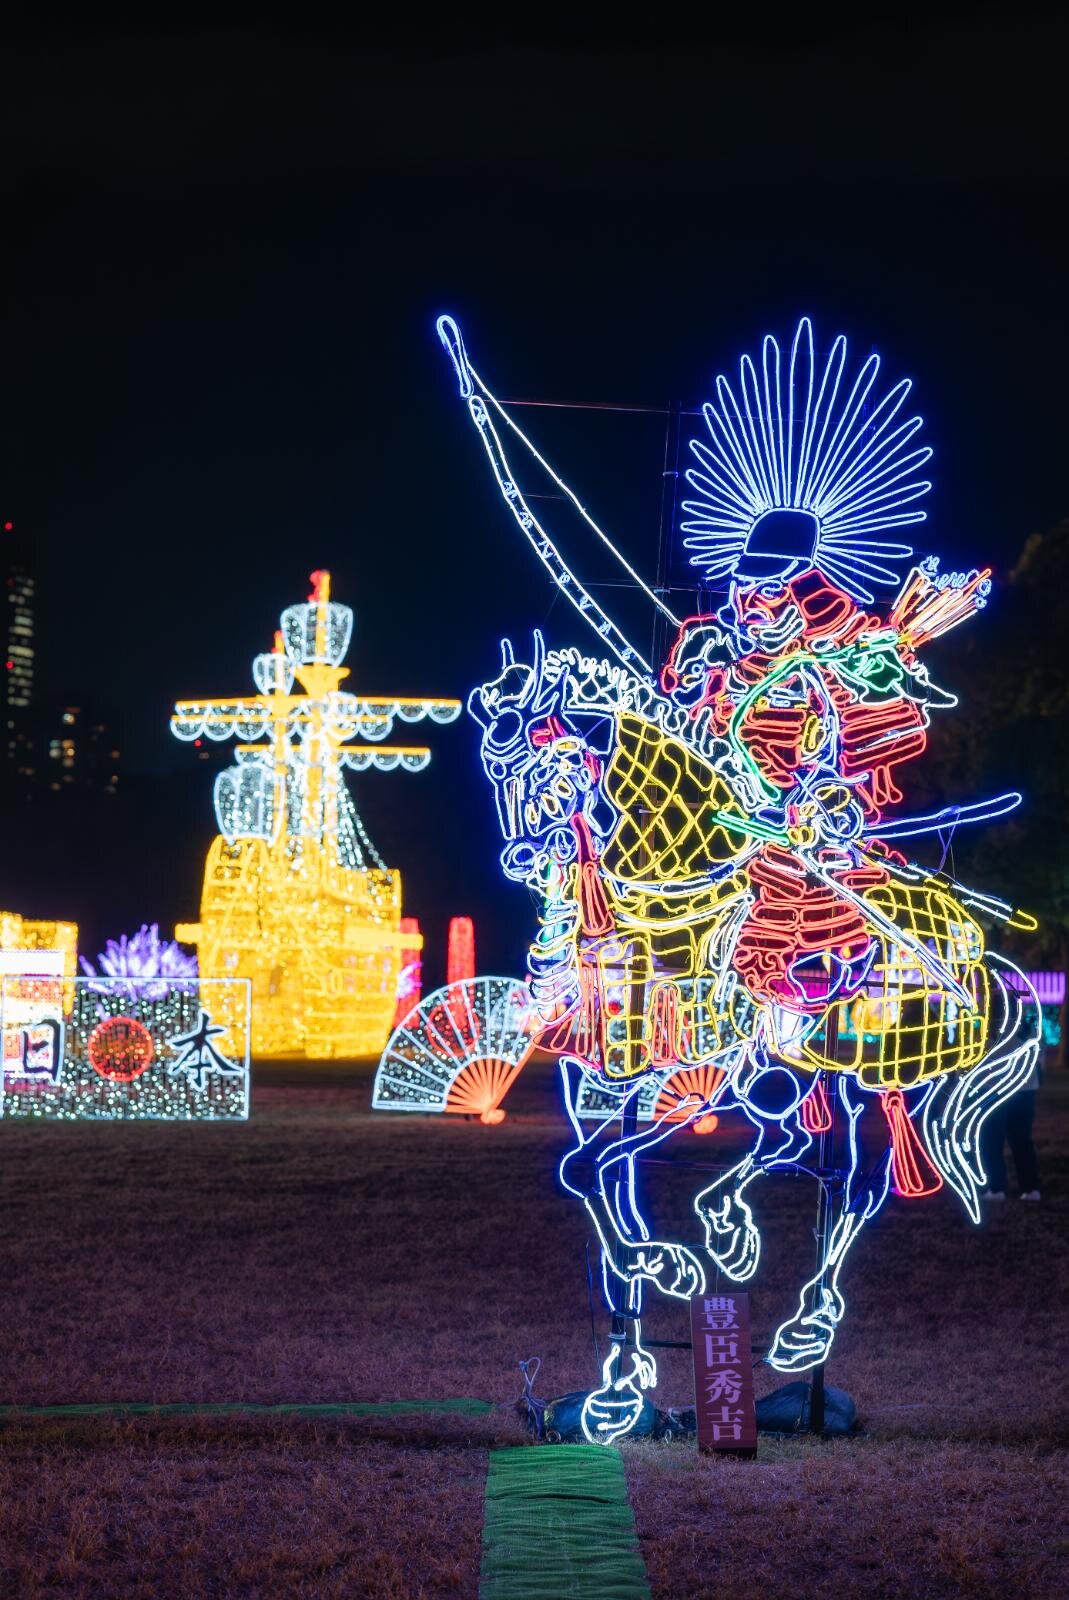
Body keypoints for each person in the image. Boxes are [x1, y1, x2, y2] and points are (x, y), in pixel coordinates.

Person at [982, 1051, 1042, 1201]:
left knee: (991, 1140)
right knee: (1022, 1140)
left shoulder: (986, 1027)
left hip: (992, 1085)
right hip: (1025, 1083)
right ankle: (1030, 1189)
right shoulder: (1030, 1026)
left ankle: (996, 1189)